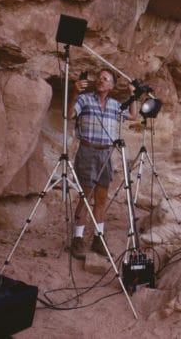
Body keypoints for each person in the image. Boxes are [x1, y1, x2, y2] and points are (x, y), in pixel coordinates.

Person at [68, 68, 137, 260]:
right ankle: (77, 239)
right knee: (85, 195)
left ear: (112, 86)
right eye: (99, 78)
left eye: (105, 79)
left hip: (106, 153)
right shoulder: (85, 99)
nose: (100, 81)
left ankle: (98, 239)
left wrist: (134, 96)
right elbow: (69, 114)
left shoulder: (115, 105)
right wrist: (74, 93)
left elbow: (133, 116)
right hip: (88, 151)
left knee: (101, 198)